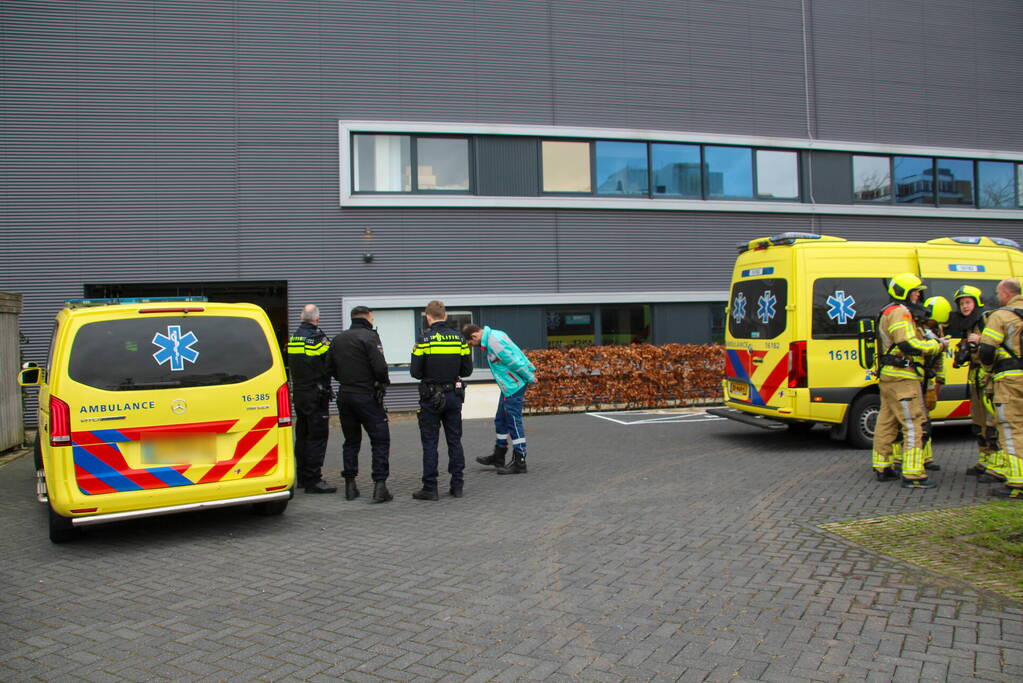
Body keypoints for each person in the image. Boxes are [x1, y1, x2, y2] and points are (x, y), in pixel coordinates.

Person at [871, 273, 947, 488]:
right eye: (915, 292)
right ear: (905, 293)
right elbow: (908, 344)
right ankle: (913, 474)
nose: (918, 296)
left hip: (889, 376)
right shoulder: (900, 312)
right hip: (903, 378)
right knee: (913, 423)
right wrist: (937, 346)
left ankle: (882, 466)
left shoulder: (887, 311)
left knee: (886, 421)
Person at [327, 306, 392, 503]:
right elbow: (380, 368)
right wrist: (381, 382)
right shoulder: (370, 337)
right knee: (380, 439)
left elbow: (329, 368)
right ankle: (380, 486)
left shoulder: (338, 339)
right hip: (367, 396)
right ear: (368, 317)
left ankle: (350, 485)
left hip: (346, 395)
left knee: (351, 441)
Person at [409, 301, 473, 500]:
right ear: (445, 316)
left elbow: (415, 372)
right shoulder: (459, 339)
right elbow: (467, 370)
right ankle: (457, 486)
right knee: (454, 441)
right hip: (453, 396)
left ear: (428, 317)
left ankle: (430, 488)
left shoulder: (423, 339)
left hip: (431, 398)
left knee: (430, 443)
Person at [463, 324, 537, 475]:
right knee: (500, 419)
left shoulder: (493, 342)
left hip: (513, 385)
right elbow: (517, 351)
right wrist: (530, 366)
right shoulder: (496, 334)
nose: (473, 346)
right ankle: (499, 455)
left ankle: (520, 461)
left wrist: (530, 376)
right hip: (508, 386)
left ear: (475, 336)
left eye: (471, 343)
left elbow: (513, 361)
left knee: (513, 421)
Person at [949, 285, 1006, 482]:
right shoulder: (967, 324)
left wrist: (981, 339)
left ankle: (998, 466)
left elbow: (1000, 344)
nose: (964, 306)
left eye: (968, 302)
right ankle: (985, 460)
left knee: (992, 424)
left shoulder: (986, 320)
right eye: (962, 303)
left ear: (976, 302)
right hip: (976, 378)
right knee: (978, 423)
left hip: (988, 379)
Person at [978, 278, 1023, 500]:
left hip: (1008, 379)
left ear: (1006, 293)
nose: (996, 296)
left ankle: (1017, 482)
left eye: (998, 292)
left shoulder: (1000, 316)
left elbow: (986, 350)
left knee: (1010, 428)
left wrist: (988, 369)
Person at [287, 304, 336, 493]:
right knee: (317, 436)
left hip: (299, 393)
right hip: (316, 394)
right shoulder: (318, 338)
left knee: (302, 435)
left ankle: (302, 476)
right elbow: (330, 363)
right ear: (317, 319)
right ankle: (314, 480)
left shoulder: (294, 337)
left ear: (301, 317)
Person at [918, 296, 951, 471]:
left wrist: (939, 380)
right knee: (915, 420)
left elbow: (939, 360)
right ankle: (901, 459)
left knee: (926, 418)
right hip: (916, 377)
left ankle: (927, 457)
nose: (935, 325)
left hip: (928, 378)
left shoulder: (937, 330)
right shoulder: (919, 328)